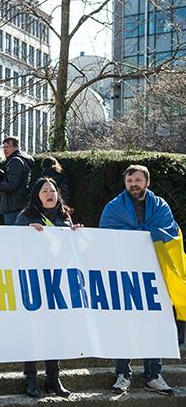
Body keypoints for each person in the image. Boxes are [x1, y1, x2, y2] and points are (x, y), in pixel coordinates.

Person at [99, 165, 175, 396]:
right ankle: (123, 374)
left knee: (155, 324)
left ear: (147, 182)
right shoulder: (113, 208)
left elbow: (170, 232)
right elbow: (104, 237)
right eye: (130, 180)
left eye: (138, 180)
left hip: (155, 275)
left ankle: (153, 375)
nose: (134, 184)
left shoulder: (160, 206)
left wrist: (140, 233)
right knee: (124, 324)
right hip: (124, 274)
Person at [14, 177, 81, 398]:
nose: (50, 193)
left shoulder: (64, 217)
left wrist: (76, 235)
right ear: (36, 195)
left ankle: (54, 377)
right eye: (44, 190)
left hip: (57, 282)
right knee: (34, 331)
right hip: (33, 281)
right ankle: (31, 378)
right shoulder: (25, 217)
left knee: (55, 331)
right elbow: (12, 245)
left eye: (53, 190)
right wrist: (26, 234)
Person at [0, 137, 32, 225]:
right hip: (17, 203)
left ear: (16, 147)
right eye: (3, 147)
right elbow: (12, 179)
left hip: (13, 205)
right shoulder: (18, 160)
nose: (5, 150)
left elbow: (12, 184)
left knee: (12, 235)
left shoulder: (15, 161)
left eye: (7, 147)